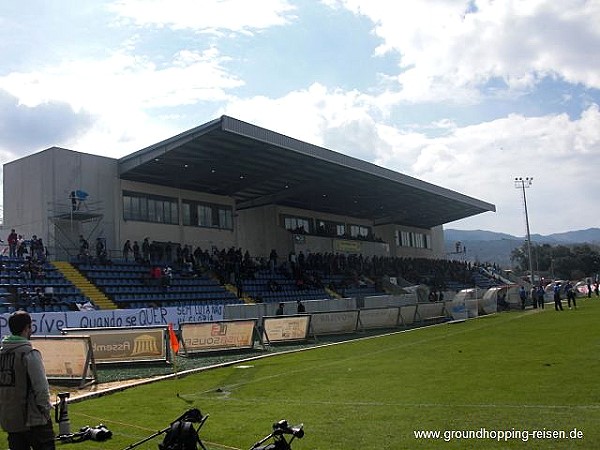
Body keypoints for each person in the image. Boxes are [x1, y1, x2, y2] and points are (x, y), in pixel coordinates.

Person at [0, 311, 56, 450]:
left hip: (10, 419)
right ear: (27, 328)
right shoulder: (29, 353)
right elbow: (41, 387)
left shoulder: (2, 354)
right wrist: (45, 411)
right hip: (33, 419)